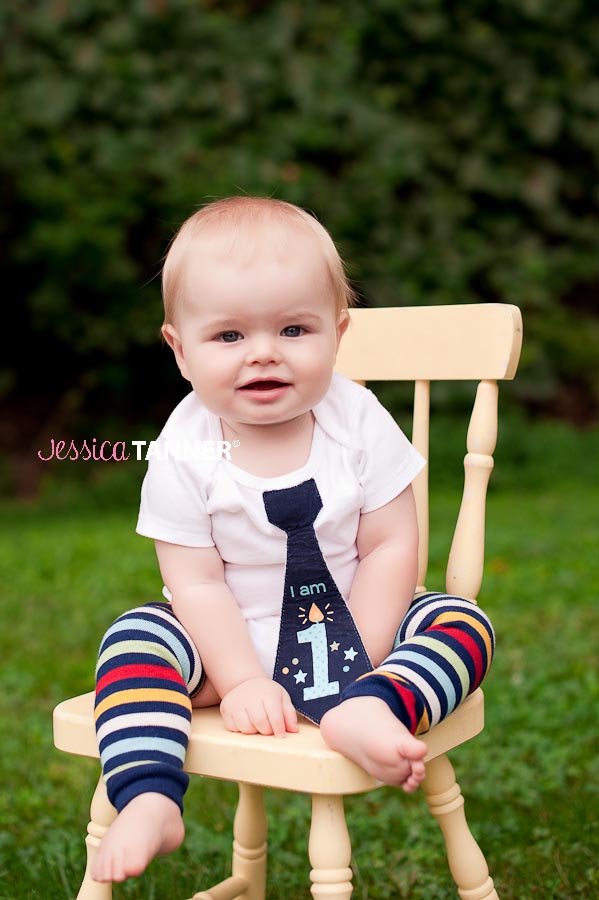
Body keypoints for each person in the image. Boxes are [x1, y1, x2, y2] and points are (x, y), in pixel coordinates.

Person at [92, 197, 495, 883]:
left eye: (293, 329)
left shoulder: (357, 419)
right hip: (224, 644)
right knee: (134, 638)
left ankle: (376, 707)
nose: (263, 355)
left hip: (358, 625)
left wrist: (357, 666)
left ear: (337, 333)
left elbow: (391, 547)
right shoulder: (183, 448)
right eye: (228, 337)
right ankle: (150, 793)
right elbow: (195, 583)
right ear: (179, 349)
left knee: (459, 621)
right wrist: (240, 677)